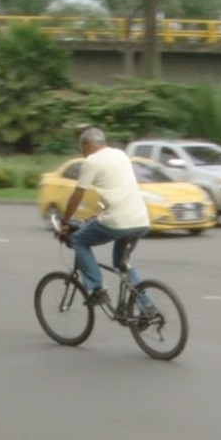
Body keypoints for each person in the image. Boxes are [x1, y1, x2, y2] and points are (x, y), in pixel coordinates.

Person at [58, 128, 151, 311]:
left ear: (86, 145)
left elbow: (77, 196)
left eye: (82, 149)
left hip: (118, 222)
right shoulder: (120, 154)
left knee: (78, 240)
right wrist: (98, 215)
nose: (82, 153)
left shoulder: (91, 162)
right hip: (141, 220)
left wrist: (65, 221)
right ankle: (146, 307)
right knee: (122, 263)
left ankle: (96, 288)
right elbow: (116, 189)